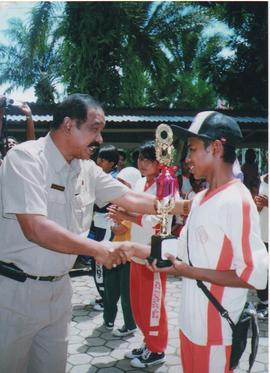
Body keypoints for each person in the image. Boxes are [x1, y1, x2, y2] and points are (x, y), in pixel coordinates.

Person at [0, 93, 190, 373]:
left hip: (60, 291)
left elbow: (129, 197)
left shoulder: (85, 168)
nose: (100, 139)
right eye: (94, 129)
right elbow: (35, 228)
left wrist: (185, 206)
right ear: (68, 125)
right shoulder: (26, 159)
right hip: (16, 293)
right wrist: (98, 249)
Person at [148, 111, 268, 373]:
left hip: (216, 333)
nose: (186, 159)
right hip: (190, 326)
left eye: (191, 149)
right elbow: (181, 251)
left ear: (215, 147)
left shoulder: (237, 200)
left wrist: (186, 271)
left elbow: (254, 275)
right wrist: (128, 249)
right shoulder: (201, 198)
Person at [108, 141, 182, 368]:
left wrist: (127, 216)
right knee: (138, 304)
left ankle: (157, 349)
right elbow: (134, 208)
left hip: (153, 254)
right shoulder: (140, 182)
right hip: (136, 251)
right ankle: (148, 341)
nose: (142, 163)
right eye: (140, 158)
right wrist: (120, 214)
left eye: (147, 159)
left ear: (160, 162)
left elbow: (160, 222)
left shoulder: (167, 186)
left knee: (153, 306)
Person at [104, 166, 142, 336]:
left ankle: (130, 324)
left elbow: (118, 229)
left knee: (127, 294)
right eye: (117, 181)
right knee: (111, 289)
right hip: (116, 251)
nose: (118, 185)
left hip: (128, 256)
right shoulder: (119, 203)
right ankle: (108, 319)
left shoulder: (133, 206)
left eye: (123, 182)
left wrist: (115, 220)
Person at [88, 144, 120, 312]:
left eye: (103, 159)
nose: (99, 161)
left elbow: (99, 203)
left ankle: (106, 298)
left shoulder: (112, 179)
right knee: (97, 261)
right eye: (98, 158)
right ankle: (104, 295)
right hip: (98, 224)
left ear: (112, 163)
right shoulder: (100, 176)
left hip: (106, 224)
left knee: (100, 260)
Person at [254, 172, 268, 319]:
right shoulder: (263, 178)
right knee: (261, 268)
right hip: (261, 231)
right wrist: (258, 204)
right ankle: (264, 301)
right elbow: (259, 207)